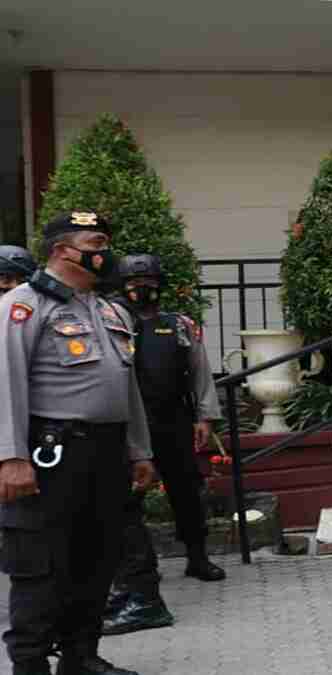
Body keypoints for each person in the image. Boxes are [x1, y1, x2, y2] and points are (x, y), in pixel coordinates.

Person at [0, 211, 154, 675]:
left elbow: (127, 389)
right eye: (97, 241)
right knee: (42, 568)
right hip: (53, 453)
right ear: (64, 250)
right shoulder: (22, 306)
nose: (106, 250)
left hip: (106, 454)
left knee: (97, 558)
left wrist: (139, 450)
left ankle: (80, 656)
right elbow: (5, 383)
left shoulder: (108, 308)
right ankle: (30, 664)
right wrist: (10, 457)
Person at [101, 254, 225, 637]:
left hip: (173, 421)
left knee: (187, 491)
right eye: (135, 281)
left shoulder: (179, 325)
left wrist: (204, 417)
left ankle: (197, 556)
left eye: (150, 279)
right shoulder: (110, 323)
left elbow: (200, 371)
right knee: (125, 502)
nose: (142, 287)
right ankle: (128, 578)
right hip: (128, 426)